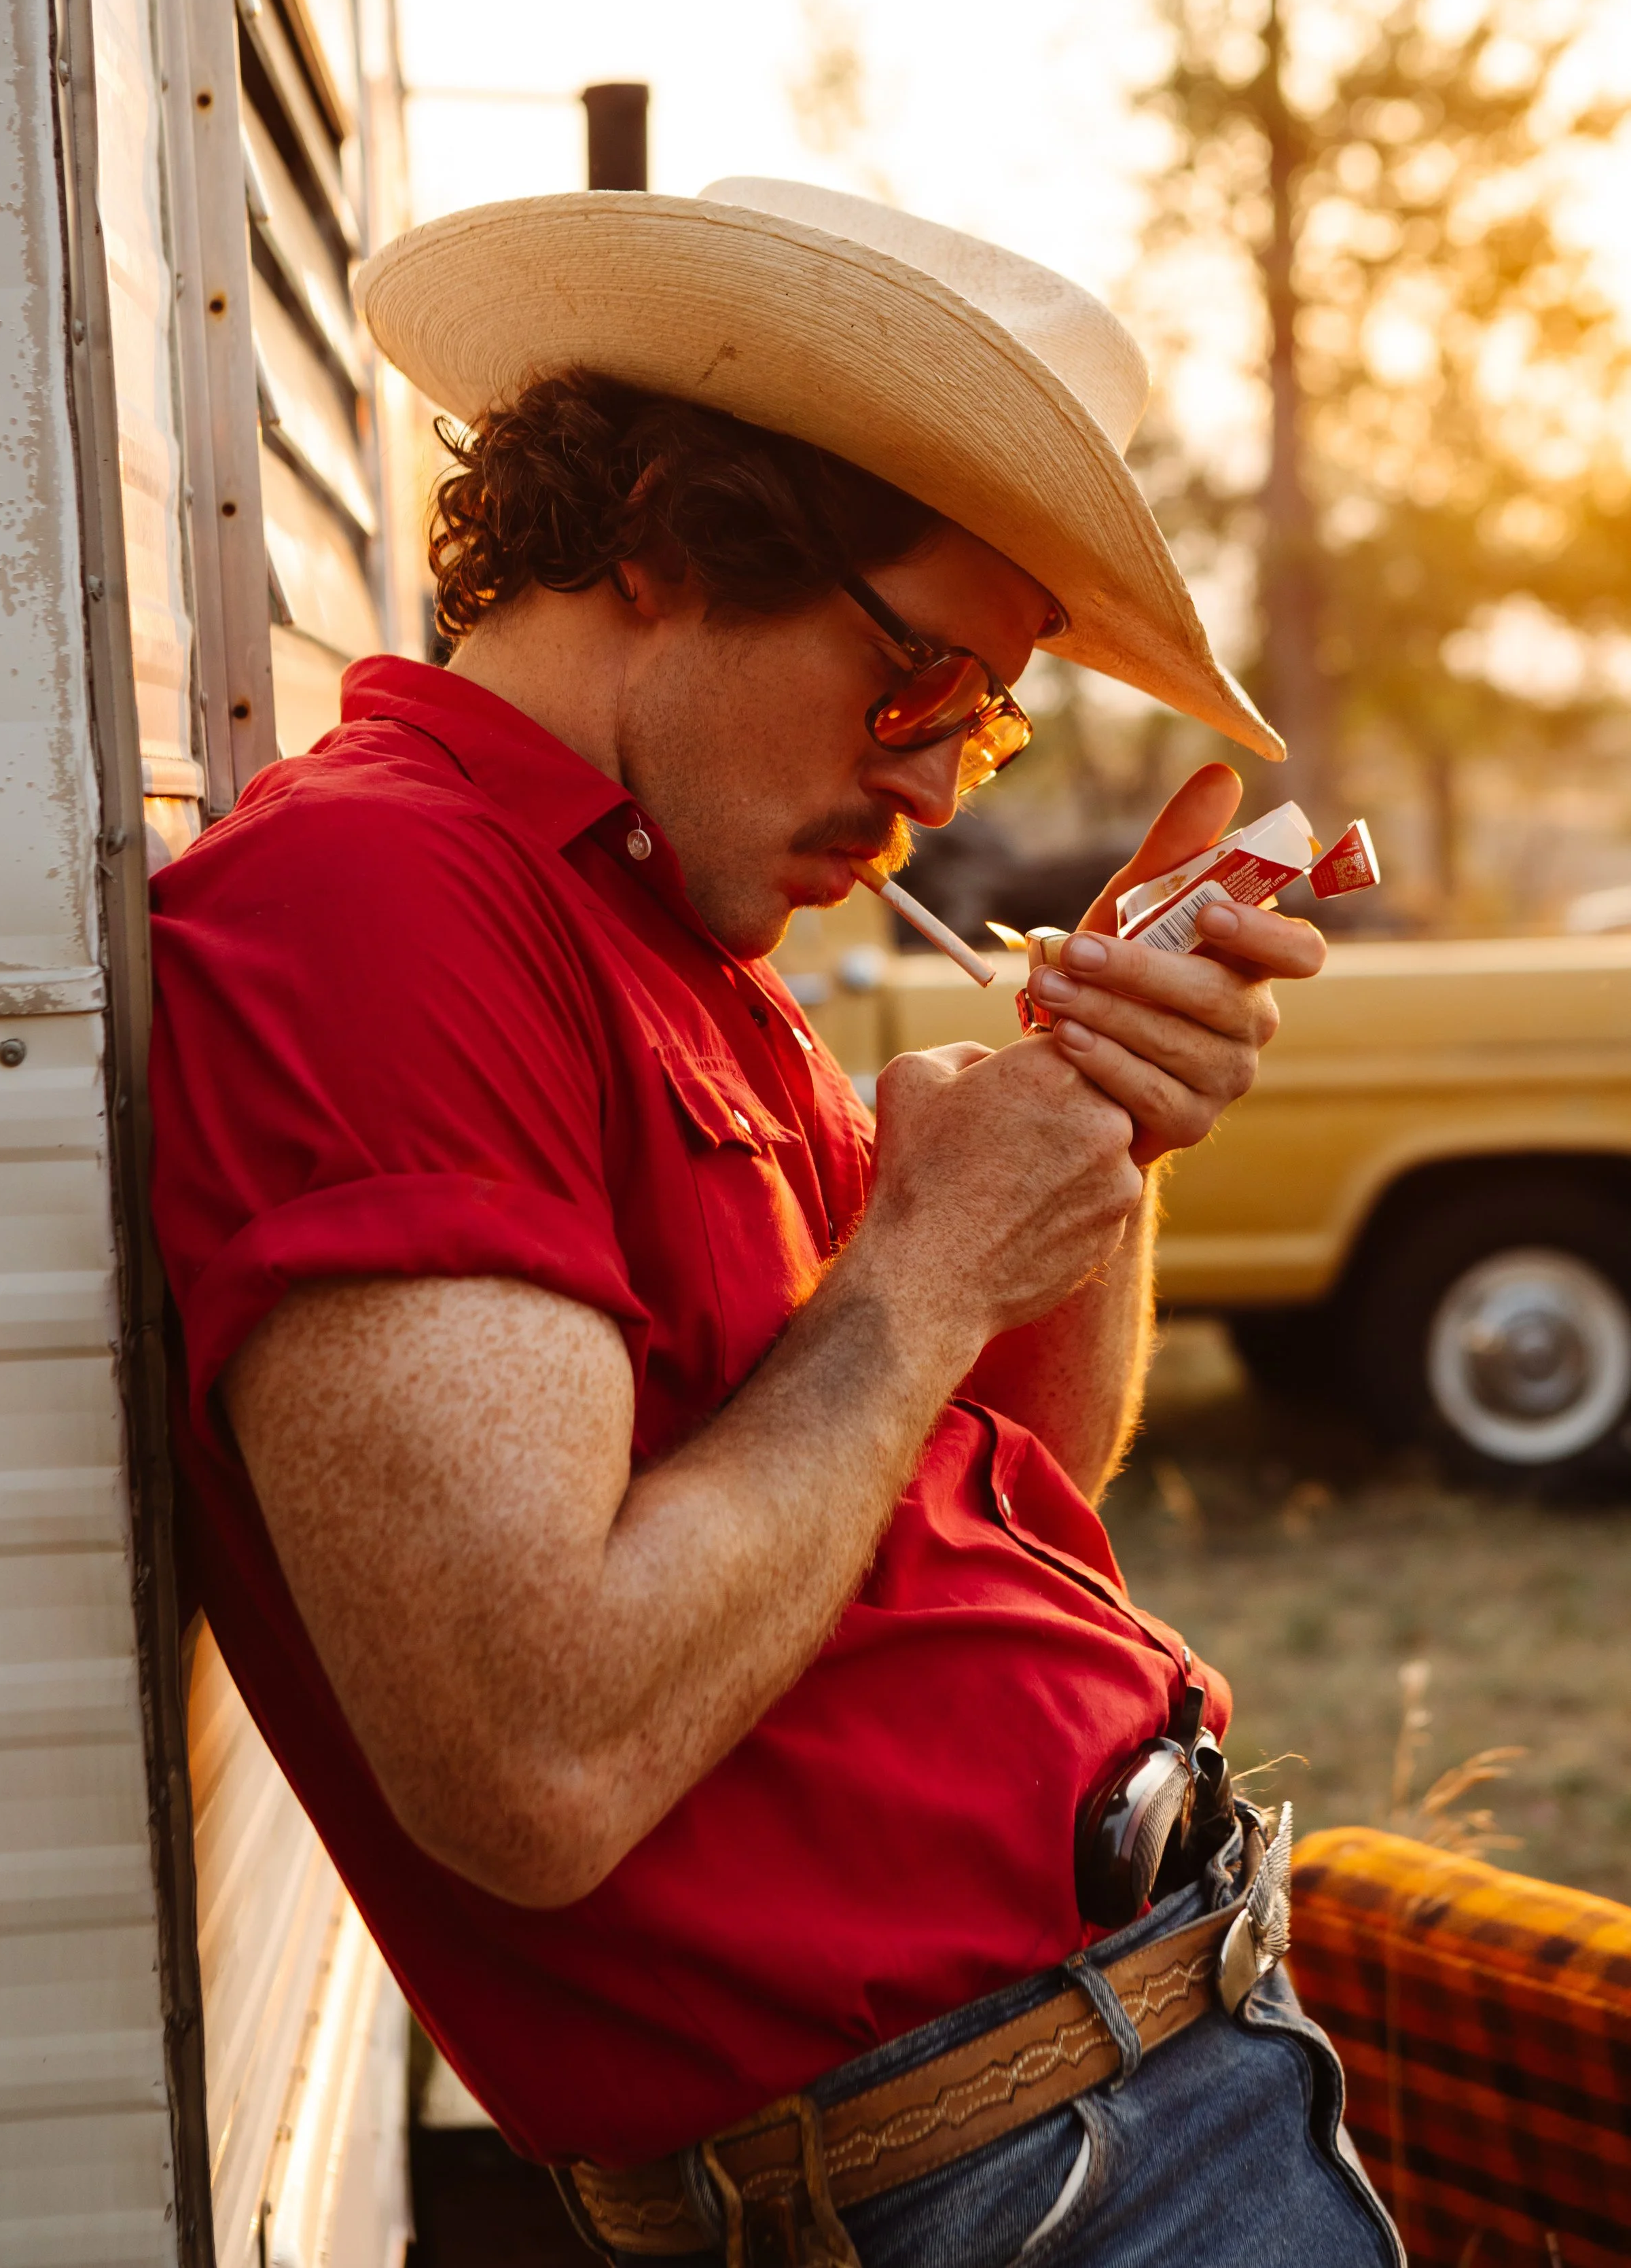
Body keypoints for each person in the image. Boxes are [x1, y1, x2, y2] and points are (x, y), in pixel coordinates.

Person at [149, 180, 1402, 2266]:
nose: (934, 789)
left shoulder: (671, 921)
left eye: (981, 725)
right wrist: (916, 1270)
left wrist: (1093, 1137)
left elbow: (1004, 1479)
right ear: (666, 531)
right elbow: (536, 1752)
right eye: (917, 683)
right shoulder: (379, 905)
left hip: (1131, 2092)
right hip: (1012, 2188)